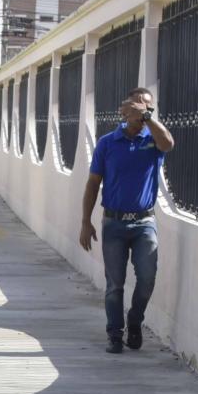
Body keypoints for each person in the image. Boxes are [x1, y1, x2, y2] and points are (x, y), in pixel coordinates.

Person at [79, 87, 175, 353]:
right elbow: (92, 183)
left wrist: (148, 119)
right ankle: (115, 334)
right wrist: (85, 221)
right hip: (114, 222)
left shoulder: (153, 139)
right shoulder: (108, 142)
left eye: (149, 107)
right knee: (115, 283)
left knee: (147, 278)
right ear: (126, 108)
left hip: (144, 223)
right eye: (140, 106)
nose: (144, 110)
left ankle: (135, 321)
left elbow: (168, 143)